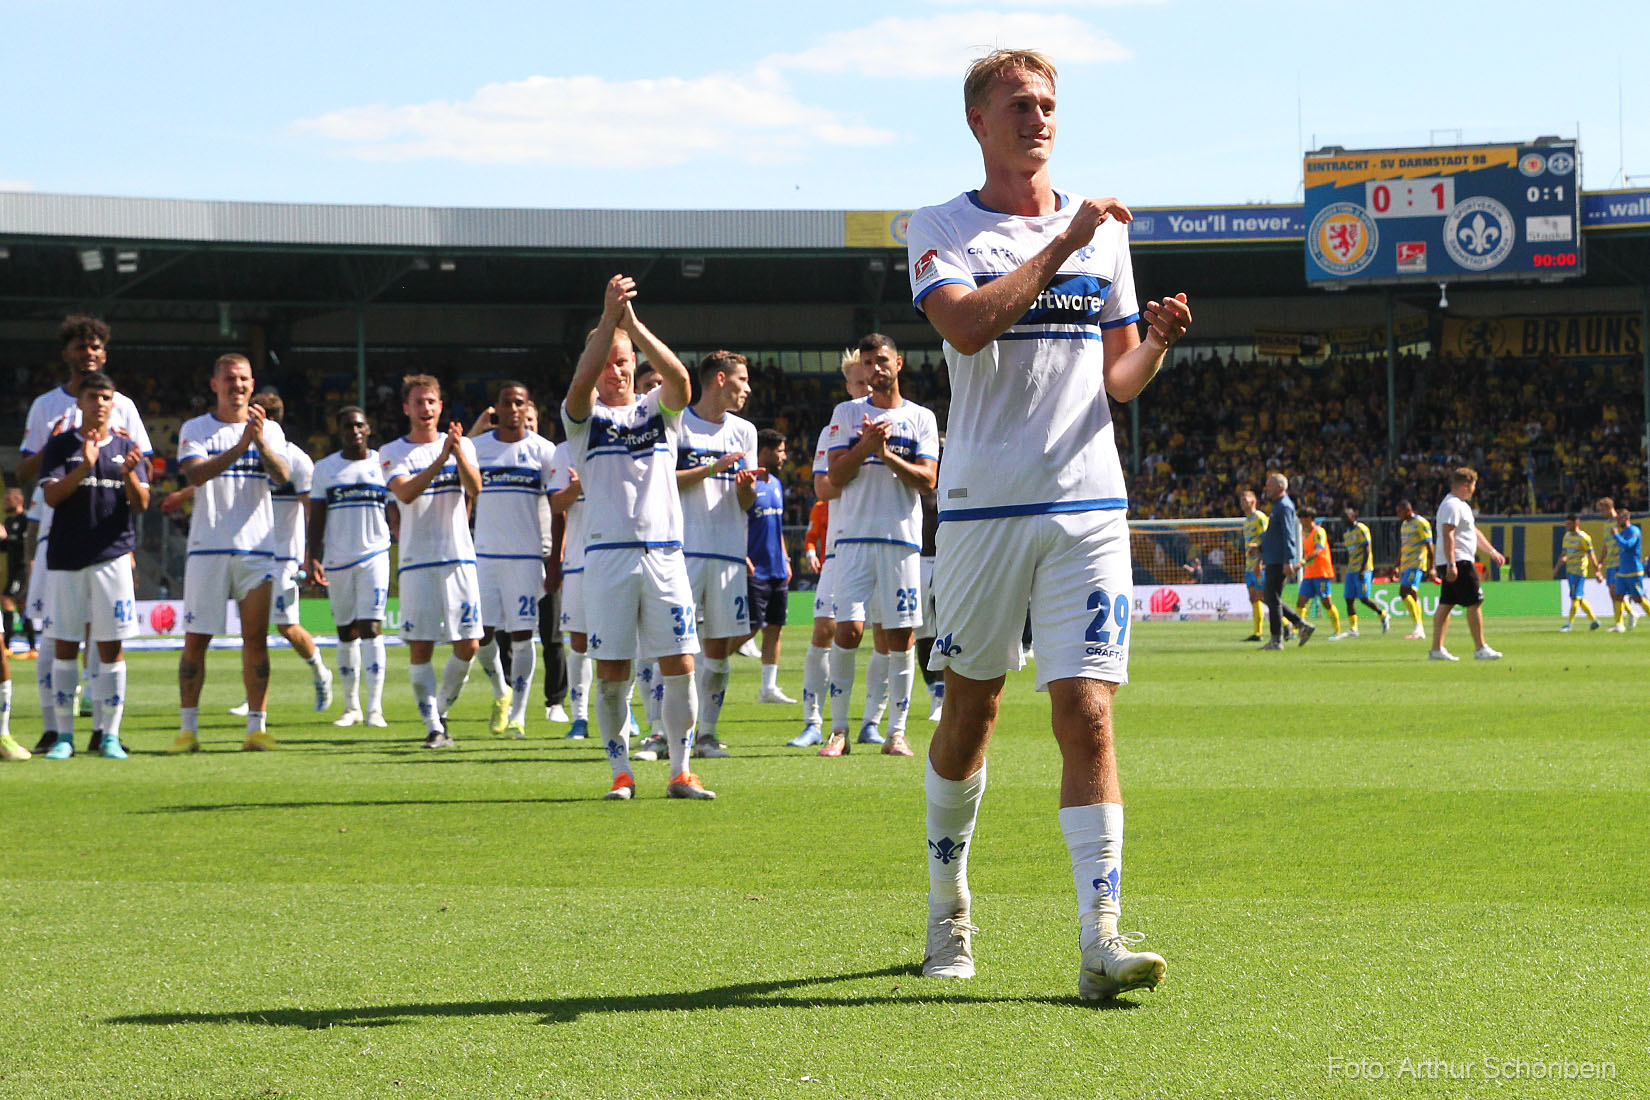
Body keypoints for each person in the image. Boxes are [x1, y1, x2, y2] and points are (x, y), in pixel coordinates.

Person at [907, 48, 1192, 998]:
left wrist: (1153, 342)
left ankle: (1100, 939)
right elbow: (966, 326)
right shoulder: (941, 227)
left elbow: (1114, 381)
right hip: (984, 508)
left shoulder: (1102, 235)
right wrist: (1063, 244)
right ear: (977, 121)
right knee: (971, 715)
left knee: (1090, 713)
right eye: (1019, 104)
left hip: (1087, 503)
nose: (1039, 117)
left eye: (1049, 105)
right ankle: (949, 903)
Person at [562, 274, 712, 801]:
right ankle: (621, 772)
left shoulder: (657, 411)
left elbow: (681, 382)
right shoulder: (582, 420)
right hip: (607, 558)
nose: (613, 369)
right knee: (612, 671)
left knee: (680, 663)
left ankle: (681, 771)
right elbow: (579, 386)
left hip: (665, 555)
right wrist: (607, 323)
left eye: (621, 359)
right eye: (605, 359)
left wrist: (632, 326)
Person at [20, 316, 154, 752]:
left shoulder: (126, 410)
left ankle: (105, 731)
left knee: (108, 639)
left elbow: (140, 480)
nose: (88, 353)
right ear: (67, 354)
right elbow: (27, 471)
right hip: (55, 537)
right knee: (57, 636)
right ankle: (55, 729)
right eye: (80, 347)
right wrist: (72, 453)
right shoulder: (47, 410)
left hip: (111, 542)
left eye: (95, 346)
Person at [821, 333, 938, 760]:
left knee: (901, 636)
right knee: (848, 631)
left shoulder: (920, 418)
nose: (875, 369)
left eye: (882, 360)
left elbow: (928, 480)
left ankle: (896, 733)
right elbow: (834, 476)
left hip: (901, 540)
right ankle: (837, 731)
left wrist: (885, 455)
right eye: (868, 363)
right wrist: (865, 446)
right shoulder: (847, 413)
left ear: (899, 363)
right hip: (852, 539)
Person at [171, 354, 292, 753]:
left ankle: (256, 729)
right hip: (208, 549)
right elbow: (194, 474)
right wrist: (242, 445)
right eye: (228, 379)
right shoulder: (197, 428)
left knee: (255, 639)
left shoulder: (269, 430)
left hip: (255, 549)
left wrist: (257, 442)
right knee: (196, 640)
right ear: (214, 384)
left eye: (242, 379)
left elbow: (282, 476)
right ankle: (188, 730)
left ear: (252, 384)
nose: (236, 385)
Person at [381, 375, 483, 747]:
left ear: (440, 407)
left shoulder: (462, 445)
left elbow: (475, 489)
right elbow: (405, 493)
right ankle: (433, 727)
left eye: (431, 402)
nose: (425, 409)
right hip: (417, 560)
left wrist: (456, 454)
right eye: (418, 402)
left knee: (469, 643)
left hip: (458, 556)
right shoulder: (392, 451)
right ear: (406, 408)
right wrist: (443, 458)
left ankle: (439, 712)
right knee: (421, 646)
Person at [226, 393, 333, 716]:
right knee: (252, 628)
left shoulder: (296, 460)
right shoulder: (244, 451)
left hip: (285, 555)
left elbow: (311, 509)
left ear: (269, 419)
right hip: (252, 550)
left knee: (286, 626)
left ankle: (320, 672)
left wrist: (312, 556)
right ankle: (253, 697)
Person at [675, 351, 759, 758]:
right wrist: (712, 469)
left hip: (728, 552)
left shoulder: (745, 431)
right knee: (677, 647)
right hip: (682, 550)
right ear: (720, 379)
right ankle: (666, 732)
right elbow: (663, 482)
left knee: (720, 649)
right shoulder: (678, 423)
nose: (747, 388)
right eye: (742, 379)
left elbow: (746, 502)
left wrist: (745, 485)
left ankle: (707, 734)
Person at [792, 350, 878, 748]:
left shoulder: (899, 422)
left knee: (889, 635)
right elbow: (824, 488)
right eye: (859, 383)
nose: (866, 389)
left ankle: (875, 722)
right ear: (848, 387)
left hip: (886, 542)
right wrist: (862, 453)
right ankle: (813, 720)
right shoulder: (833, 431)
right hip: (843, 546)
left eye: (870, 382)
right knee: (826, 628)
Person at [469, 381, 561, 739]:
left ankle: (520, 715)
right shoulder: (477, 448)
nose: (512, 409)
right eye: (506, 403)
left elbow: (557, 508)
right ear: (497, 408)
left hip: (526, 557)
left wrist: (554, 559)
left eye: (519, 403)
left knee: (524, 636)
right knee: (481, 635)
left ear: (528, 408)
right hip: (485, 556)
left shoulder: (543, 451)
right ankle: (501, 692)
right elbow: (460, 484)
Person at [308, 405, 392, 726]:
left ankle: (375, 709)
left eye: (359, 426)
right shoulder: (325, 469)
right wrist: (313, 556)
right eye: (347, 427)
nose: (354, 431)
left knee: (371, 627)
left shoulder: (382, 464)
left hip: (374, 555)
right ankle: (352, 707)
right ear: (340, 431)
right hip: (337, 559)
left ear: (368, 429)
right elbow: (317, 518)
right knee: (346, 631)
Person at [1429, 467, 1505, 661]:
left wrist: (1492, 551)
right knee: (1474, 602)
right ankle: (1480, 648)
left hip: (1456, 560)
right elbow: (1448, 534)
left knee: (1446, 604)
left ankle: (1436, 649)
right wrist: (1452, 564)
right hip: (1459, 561)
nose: (1474, 490)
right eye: (1472, 485)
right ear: (1465, 485)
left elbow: (1473, 532)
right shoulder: (1452, 505)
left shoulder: (1461, 505)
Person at [743, 428, 796, 704]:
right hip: (755, 568)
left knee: (774, 627)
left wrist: (785, 558)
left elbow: (777, 528)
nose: (784, 456)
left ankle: (768, 688)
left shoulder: (775, 483)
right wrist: (742, 554)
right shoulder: (748, 483)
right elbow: (738, 521)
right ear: (764, 451)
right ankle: (708, 663)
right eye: (780, 450)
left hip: (776, 567)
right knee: (749, 628)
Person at [1259, 473, 1312, 649]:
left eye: (1269, 485)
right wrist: (1259, 548)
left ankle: (1277, 639)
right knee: (1271, 598)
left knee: (1271, 599)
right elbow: (1275, 536)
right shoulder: (1278, 507)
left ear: (1280, 487)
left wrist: (1289, 559)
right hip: (1274, 558)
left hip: (1279, 559)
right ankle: (1300, 625)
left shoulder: (1285, 507)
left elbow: (1289, 535)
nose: (1266, 488)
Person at [1593, 497, 1641, 630]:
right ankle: (1631, 613)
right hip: (1610, 563)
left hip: (1621, 562)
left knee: (1617, 591)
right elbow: (1606, 545)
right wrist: (1600, 562)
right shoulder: (1606, 524)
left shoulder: (1619, 522)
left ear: (1609, 508)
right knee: (1613, 593)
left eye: (1602, 509)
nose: (1601, 512)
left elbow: (1625, 541)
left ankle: (1619, 624)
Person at [1339, 505, 1387, 637]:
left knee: (1364, 598)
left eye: (1346, 517)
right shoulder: (1347, 533)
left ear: (1353, 516)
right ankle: (1354, 628)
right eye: (1342, 518)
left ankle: (1382, 614)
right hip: (1351, 569)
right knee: (1348, 598)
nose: (1344, 520)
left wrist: (1362, 569)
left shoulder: (1362, 529)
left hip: (1363, 569)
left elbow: (1367, 550)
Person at [1297, 509, 1344, 638]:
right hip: (1309, 574)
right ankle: (1298, 630)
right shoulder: (1305, 534)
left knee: (1326, 602)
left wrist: (1303, 561)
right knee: (1301, 602)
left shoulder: (1319, 532)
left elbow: (1318, 550)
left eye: (1303, 518)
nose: (1301, 521)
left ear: (1310, 518)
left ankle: (1337, 632)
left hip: (1321, 572)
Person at [2, 488, 36, 660]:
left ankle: (7, 646)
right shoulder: (8, 521)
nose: (5, 503)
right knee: (22, 607)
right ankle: (32, 648)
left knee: (7, 599)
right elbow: (5, 548)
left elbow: (26, 544)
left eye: (8, 500)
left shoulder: (26, 519)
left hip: (23, 569)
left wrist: (7, 538)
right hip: (13, 568)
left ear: (19, 500)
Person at [1554, 513, 1602, 632]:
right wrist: (1557, 567)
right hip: (1570, 571)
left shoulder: (1584, 538)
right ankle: (1593, 620)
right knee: (1578, 597)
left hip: (1579, 571)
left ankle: (1569, 624)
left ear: (1576, 523)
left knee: (1575, 598)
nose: (1567, 526)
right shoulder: (1567, 536)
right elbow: (1564, 554)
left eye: (1569, 524)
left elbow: (1592, 555)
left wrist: (1597, 570)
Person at [1393, 500, 1433, 640]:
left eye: (1400, 512)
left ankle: (1418, 627)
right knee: (1412, 595)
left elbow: (1429, 545)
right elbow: (1403, 546)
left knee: (1404, 591)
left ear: (1408, 510)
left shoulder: (1421, 523)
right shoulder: (1404, 525)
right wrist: (1397, 565)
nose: (1398, 515)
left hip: (1416, 564)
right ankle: (1419, 630)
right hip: (1405, 565)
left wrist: (1431, 567)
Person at [1605, 507, 1648, 631]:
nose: (1618, 521)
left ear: (1626, 518)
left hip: (1634, 571)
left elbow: (1628, 545)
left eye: (1619, 518)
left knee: (1638, 598)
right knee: (1618, 596)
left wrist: (1616, 536)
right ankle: (1619, 625)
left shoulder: (1634, 530)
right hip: (1622, 571)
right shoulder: (1623, 532)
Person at [1238, 490, 1269, 641]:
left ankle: (1286, 623)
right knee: (1253, 598)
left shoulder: (1260, 518)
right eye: (1241, 499)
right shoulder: (1247, 521)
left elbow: (1266, 539)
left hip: (1259, 565)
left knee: (1264, 597)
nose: (1242, 502)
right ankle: (1257, 633)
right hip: (1249, 566)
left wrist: (1260, 562)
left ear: (1253, 501)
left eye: (1245, 499)